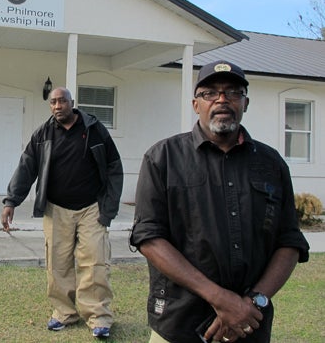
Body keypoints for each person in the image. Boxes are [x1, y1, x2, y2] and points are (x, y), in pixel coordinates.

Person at [129, 60, 310, 343]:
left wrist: (252, 302)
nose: (222, 99)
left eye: (233, 92)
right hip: (179, 322)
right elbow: (149, 238)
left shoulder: (271, 164)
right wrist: (222, 300)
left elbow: (289, 241)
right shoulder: (163, 158)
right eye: (210, 92)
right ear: (195, 104)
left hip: (250, 325)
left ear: (245, 103)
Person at [1, 87, 124, 338]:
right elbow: (26, 167)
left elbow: (114, 167)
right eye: (53, 102)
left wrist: (108, 207)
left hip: (91, 208)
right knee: (57, 264)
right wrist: (11, 201)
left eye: (62, 101)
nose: (58, 106)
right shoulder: (43, 134)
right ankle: (64, 313)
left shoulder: (94, 129)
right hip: (56, 208)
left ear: (72, 103)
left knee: (95, 262)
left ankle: (98, 316)